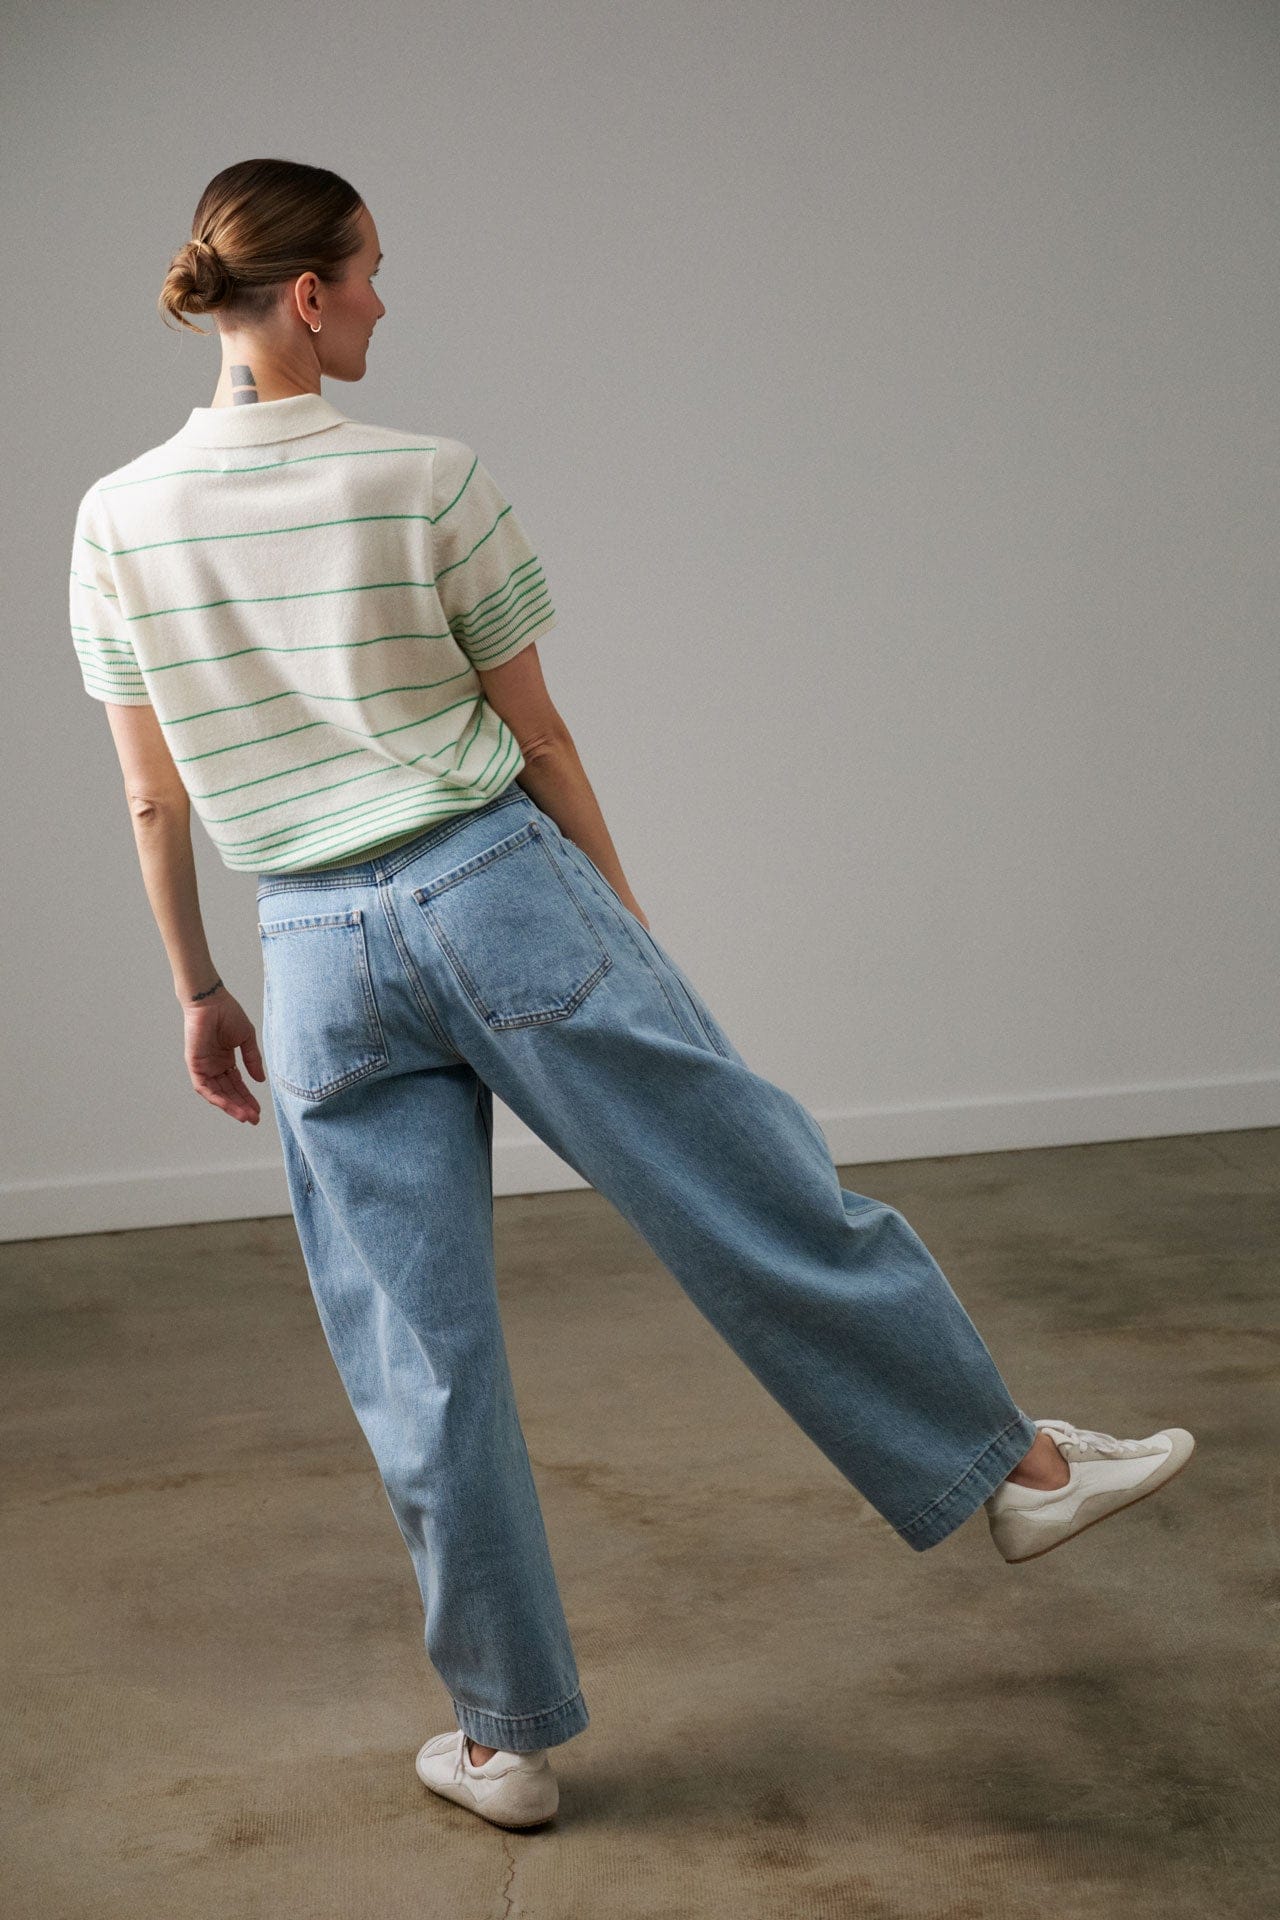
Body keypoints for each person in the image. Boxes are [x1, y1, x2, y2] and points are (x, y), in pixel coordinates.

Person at [69, 157, 1195, 1832]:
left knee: (418, 1355)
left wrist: (197, 989)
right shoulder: (425, 479)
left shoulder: (115, 518)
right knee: (751, 1191)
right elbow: (540, 735)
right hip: (492, 891)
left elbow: (155, 799)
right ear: (305, 297)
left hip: (304, 951)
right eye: (371, 271)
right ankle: (1020, 1473)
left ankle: (503, 1738)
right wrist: (617, 913)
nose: (384, 298)